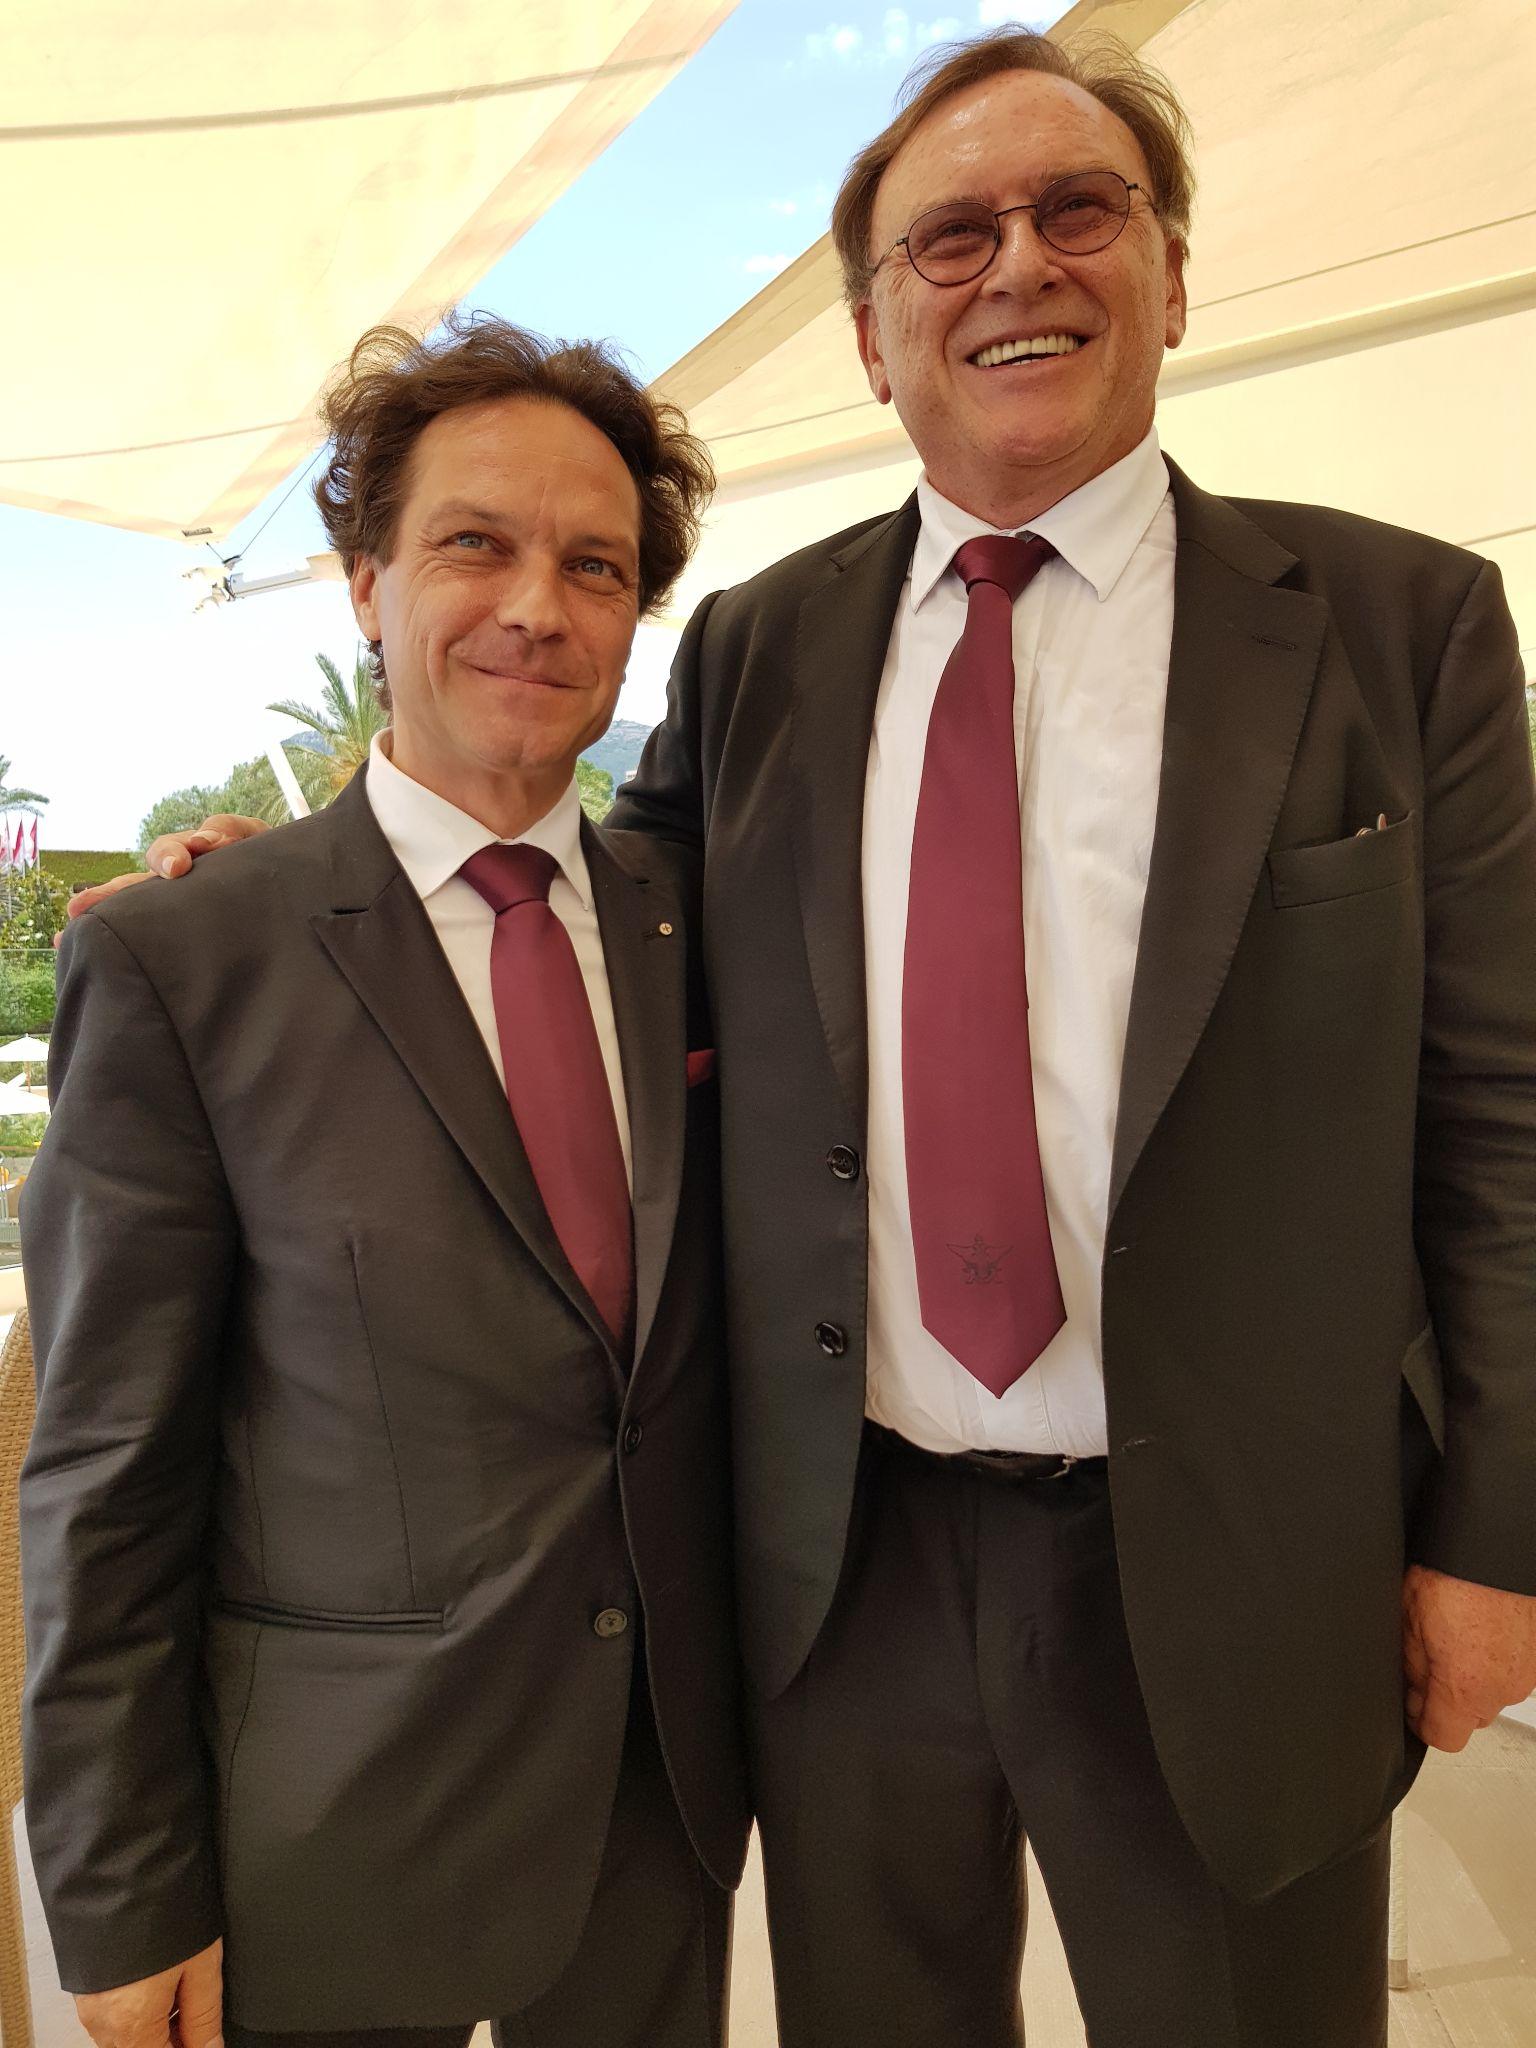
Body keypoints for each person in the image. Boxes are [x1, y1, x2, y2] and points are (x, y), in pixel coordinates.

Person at [78, 27, 1536, 2048]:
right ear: (872, 335)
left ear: (1174, 276)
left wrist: (1495, 1536)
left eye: (1079, 209)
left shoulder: (1401, 624)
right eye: (950, 235)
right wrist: (304, 887)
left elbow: (1500, 1114)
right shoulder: (766, 648)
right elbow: (598, 903)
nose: (1017, 263)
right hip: (846, 1563)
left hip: (1231, 1556)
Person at [21, 315, 746, 2048]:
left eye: (595, 565)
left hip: (656, 1815)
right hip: (329, 1840)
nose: (537, 608)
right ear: (364, 583)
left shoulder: (705, 926)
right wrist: (124, 1886)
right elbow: (109, 1469)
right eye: (473, 544)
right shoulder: (187, 959)